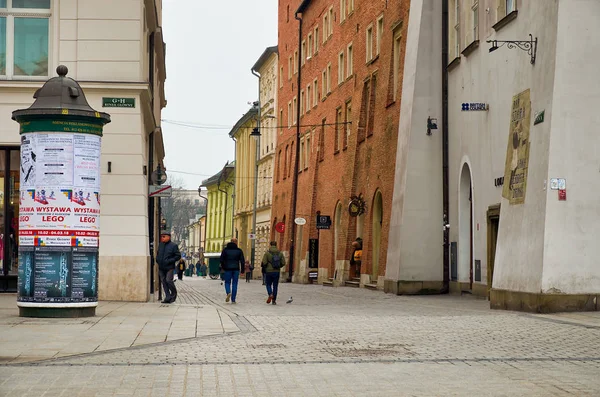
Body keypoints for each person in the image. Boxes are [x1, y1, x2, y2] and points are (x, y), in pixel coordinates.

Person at [156, 230, 181, 304]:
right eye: (161, 237)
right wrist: (158, 260)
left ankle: (173, 294)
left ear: (168, 237)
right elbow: (158, 254)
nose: (162, 238)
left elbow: (178, 256)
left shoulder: (173, 246)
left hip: (169, 267)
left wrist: (170, 260)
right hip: (161, 267)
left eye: (164, 237)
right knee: (164, 282)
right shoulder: (160, 245)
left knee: (168, 280)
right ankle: (167, 297)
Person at [219, 238, 245, 304]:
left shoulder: (225, 250)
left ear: (230, 242)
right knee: (235, 284)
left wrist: (223, 267)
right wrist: (242, 270)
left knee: (227, 282)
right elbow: (242, 261)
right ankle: (233, 299)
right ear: (236, 242)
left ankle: (228, 292)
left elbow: (221, 260)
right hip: (236, 269)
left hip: (227, 269)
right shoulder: (239, 250)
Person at [261, 240, 286, 305]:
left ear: (270, 245)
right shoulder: (280, 253)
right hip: (276, 271)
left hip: (269, 271)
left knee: (268, 284)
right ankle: (274, 300)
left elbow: (264, 262)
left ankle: (270, 294)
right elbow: (283, 263)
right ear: (276, 245)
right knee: (275, 286)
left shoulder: (267, 253)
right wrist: (278, 266)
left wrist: (267, 267)